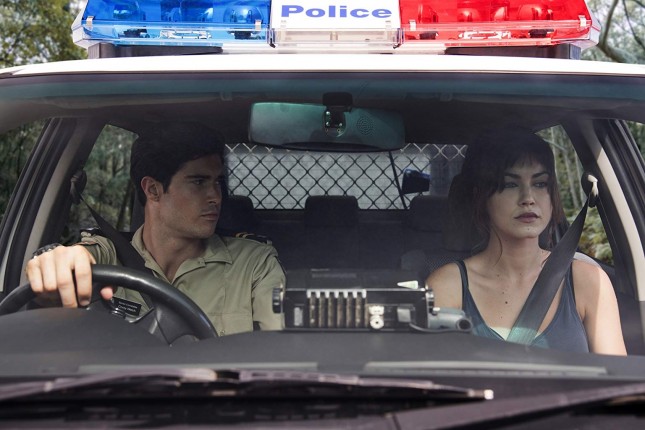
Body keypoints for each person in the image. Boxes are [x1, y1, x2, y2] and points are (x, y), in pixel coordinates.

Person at [25, 122, 284, 337]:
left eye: (218, 182)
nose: (216, 197)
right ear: (153, 190)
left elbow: (280, 349)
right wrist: (58, 264)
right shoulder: (109, 254)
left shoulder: (253, 263)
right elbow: (75, 260)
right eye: (198, 182)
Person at [427, 129, 626, 355]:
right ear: (481, 197)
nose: (528, 199)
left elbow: (618, 373)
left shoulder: (588, 281)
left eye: (540, 184)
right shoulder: (447, 286)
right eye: (510, 184)